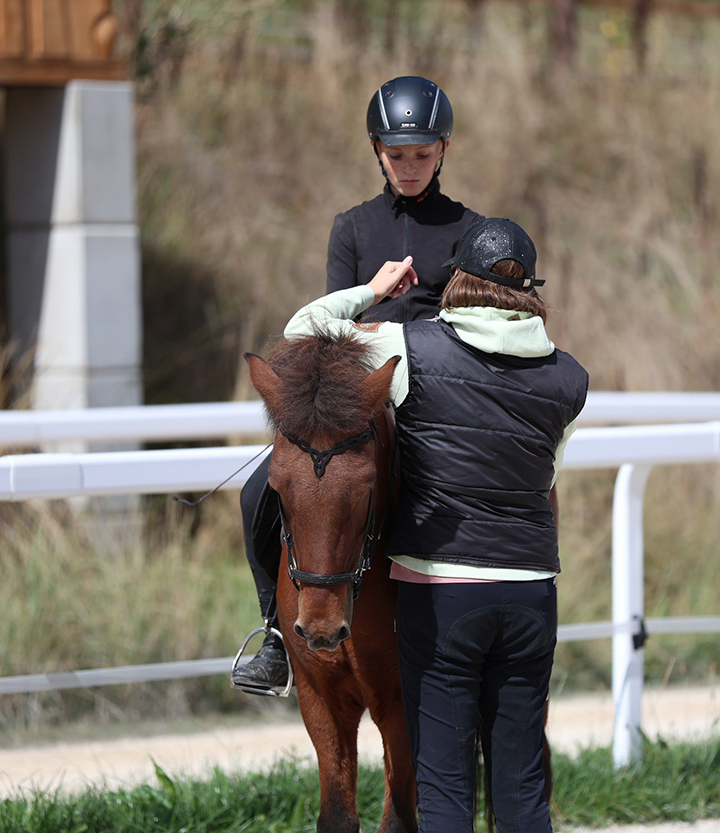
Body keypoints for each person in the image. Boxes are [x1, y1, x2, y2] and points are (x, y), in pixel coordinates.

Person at [280, 218, 588, 832]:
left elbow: (302, 332)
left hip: (442, 594)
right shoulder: (568, 377)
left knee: (445, 787)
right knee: (522, 784)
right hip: (530, 594)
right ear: (530, 291)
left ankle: (269, 624)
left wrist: (374, 288)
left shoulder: (410, 349)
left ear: (458, 285)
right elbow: (546, 479)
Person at [231, 75, 483, 694]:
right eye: (397, 156)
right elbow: (332, 324)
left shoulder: (468, 229)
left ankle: (471, 632)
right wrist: (375, 295)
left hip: (431, 394)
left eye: (421, 155)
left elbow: (465, 323)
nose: (409, 167)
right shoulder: (351, 226)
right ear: (377, 151)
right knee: (255, 491)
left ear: (443, 150)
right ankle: (273, 633)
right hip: (355, 397)